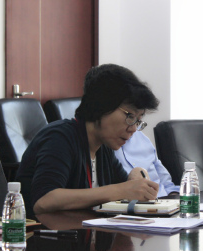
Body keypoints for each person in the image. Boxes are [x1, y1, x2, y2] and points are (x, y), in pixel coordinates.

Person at [16, 64, 160, 217]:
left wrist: (137, 175)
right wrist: (121, 190)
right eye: (130, 116)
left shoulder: (103, 148)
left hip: (85, 230)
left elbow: (127, 188)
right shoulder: (59, 137)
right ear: (102, 106)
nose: (133, 129)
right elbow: (44, 201)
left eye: (138, 121)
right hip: (41, 231)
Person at [114, 131, 180, 198]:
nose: (134, 129)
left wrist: (173, 194)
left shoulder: (143, 138)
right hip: (131, 202)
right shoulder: (110, 147)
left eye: (137, 125)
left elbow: (166, 183)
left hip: (163, 199)